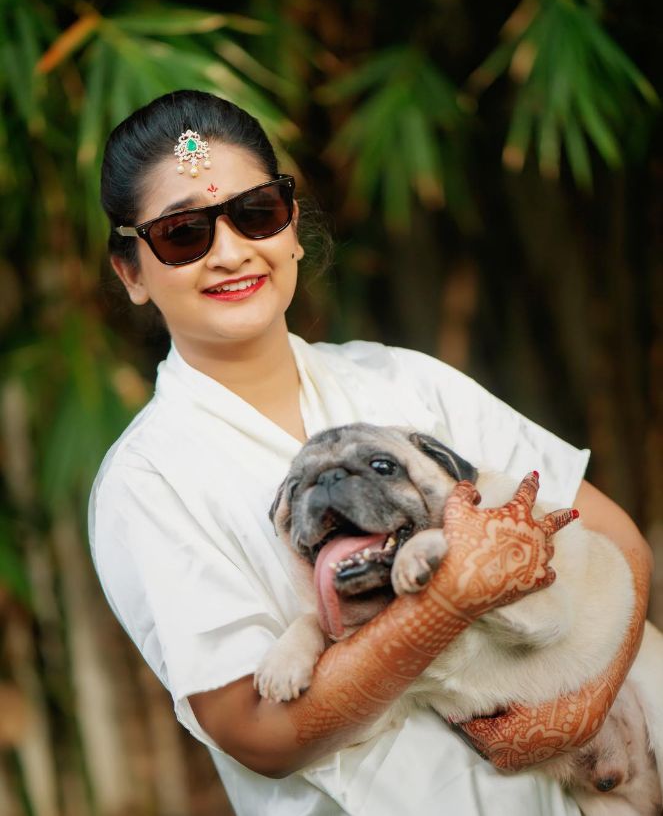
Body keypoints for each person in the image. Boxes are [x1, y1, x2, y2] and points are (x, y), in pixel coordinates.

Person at [89, 89, 652, 816]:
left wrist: (588, 702)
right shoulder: (147, 480)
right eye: (182, 233)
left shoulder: (403, 379)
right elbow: (257, 732)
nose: (230, 252)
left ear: (291, 226)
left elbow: (614, 536)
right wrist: (442, 605)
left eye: (255, 213)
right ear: (132, 271)